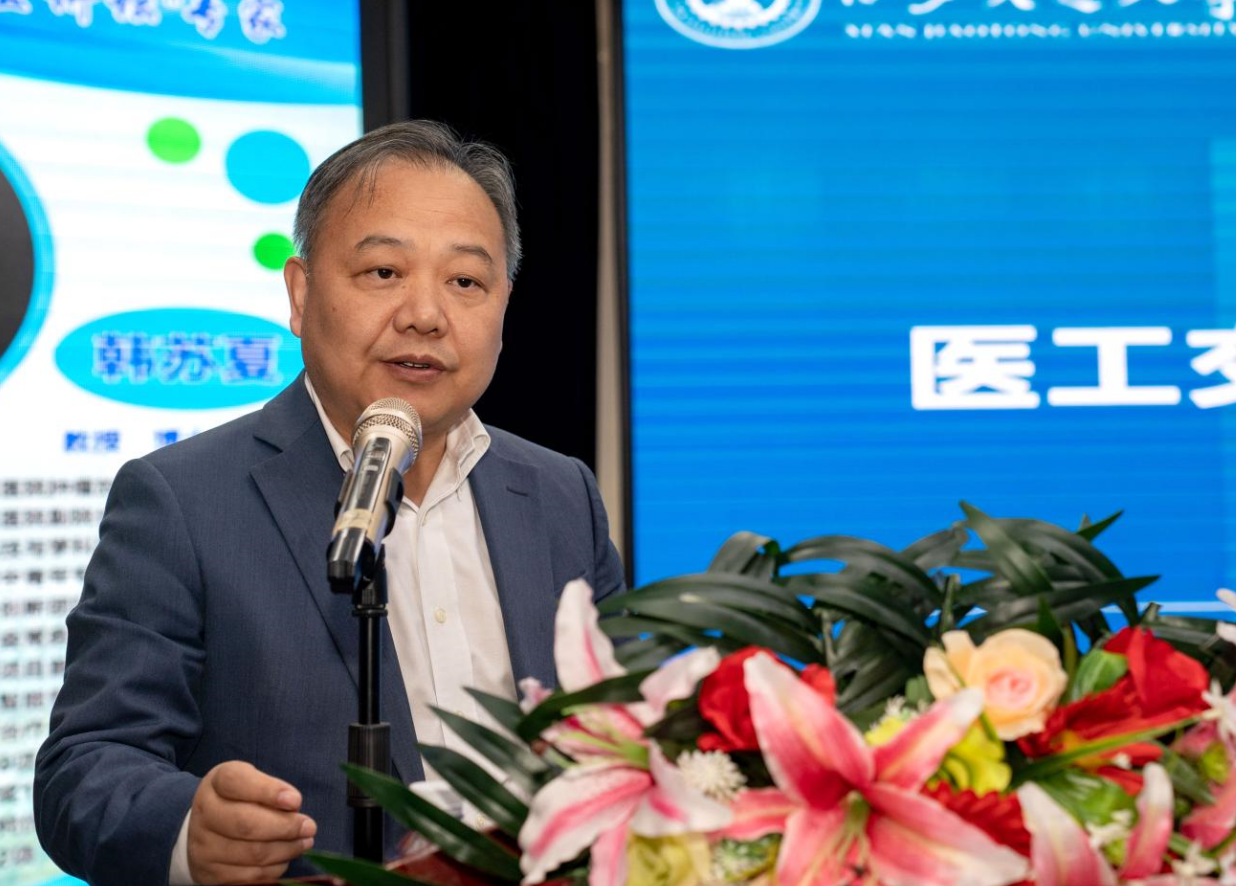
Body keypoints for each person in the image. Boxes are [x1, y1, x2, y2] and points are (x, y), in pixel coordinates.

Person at [34, 121, 625, 886]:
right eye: (383, 271)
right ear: (301, 292)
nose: (425, 314)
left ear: (504, 304)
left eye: (465, 282)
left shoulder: (560, 494)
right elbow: (84, 768)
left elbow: (629, 735)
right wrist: (188, 828)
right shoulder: (183, 501)